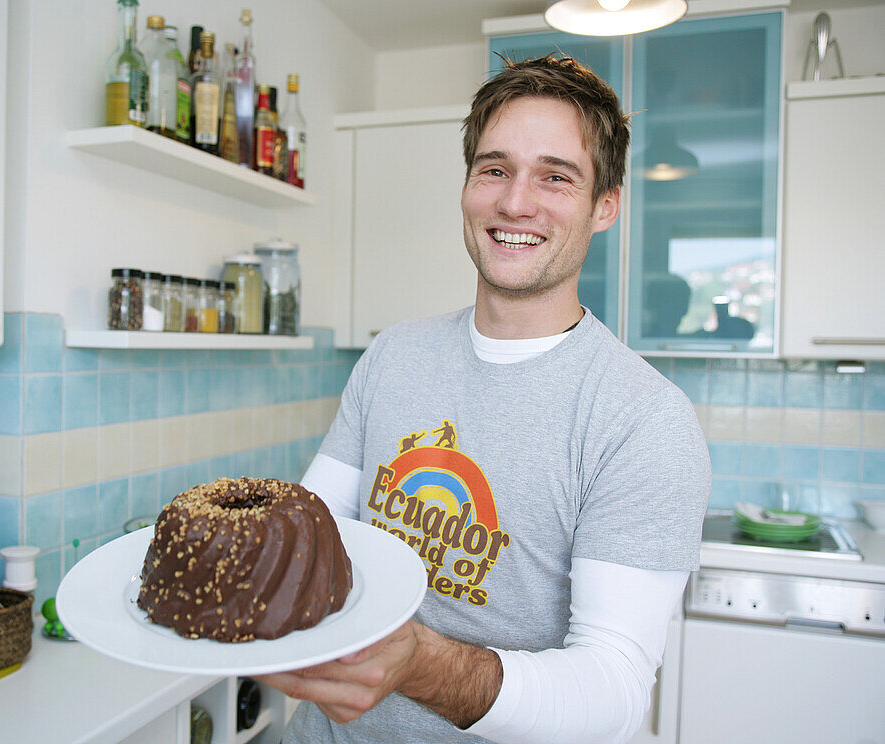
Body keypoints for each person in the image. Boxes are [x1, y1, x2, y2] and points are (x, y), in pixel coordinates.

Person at [258, 54, 711, 743]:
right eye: (494, 169)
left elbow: (613, 689)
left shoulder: (643, 419)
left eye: (556, 177)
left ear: (605, 207)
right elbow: (311, 532)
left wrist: (418, 662)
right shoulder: (391, 355)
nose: (514, 203)